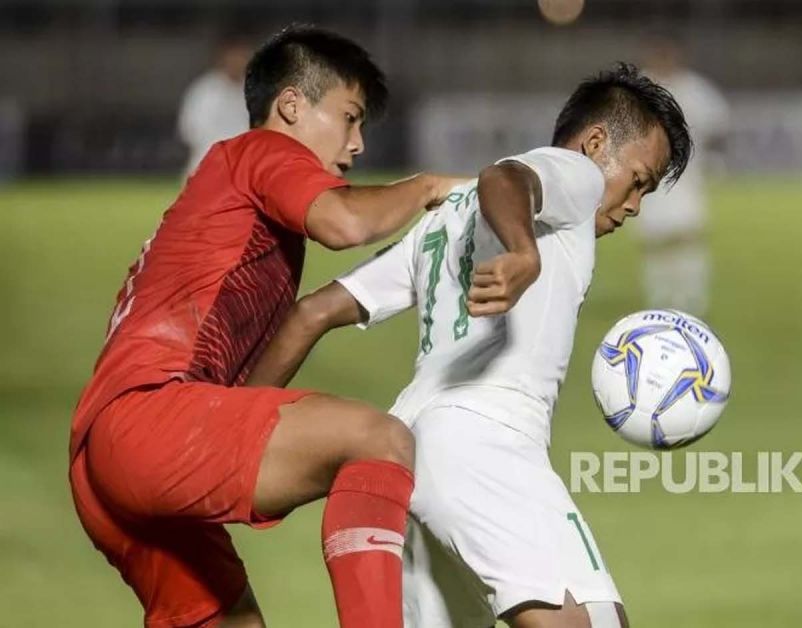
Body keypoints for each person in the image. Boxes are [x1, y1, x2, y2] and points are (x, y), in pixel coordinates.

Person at [69, 25, 501, 628]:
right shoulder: (260, 152)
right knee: (379, 439)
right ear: (292, 104)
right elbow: (344, 222)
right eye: (349, 119)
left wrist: (314, 315)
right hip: (150, 421)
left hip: (102, 461)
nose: (355, 145)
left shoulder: (233, 214)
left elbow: (245, 399)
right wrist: (431, 187)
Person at [246, 63, 692, 628]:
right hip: (486, 441)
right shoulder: (574, 175)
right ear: (597, 143)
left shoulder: (440, 223)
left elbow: (311, 313)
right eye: (639, 180)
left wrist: (226, 432)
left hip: (408, 453)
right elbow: (504, 178)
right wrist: (522, 254)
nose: (634, 205)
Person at [638, 39, 728, 317]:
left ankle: (692, 298)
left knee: (688, 238)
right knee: (655, 242)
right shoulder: (639, 87)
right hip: (650, 176)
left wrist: (713, 160)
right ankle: (659, 298)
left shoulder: (695, 89)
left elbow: (719, 124)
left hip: (687, 176)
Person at [177, 32, 254, 176]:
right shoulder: (205, 91)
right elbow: (190, 131)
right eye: (234, 56)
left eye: (242, 55)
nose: (238, 61)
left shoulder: (257, 91)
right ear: (223, 57)